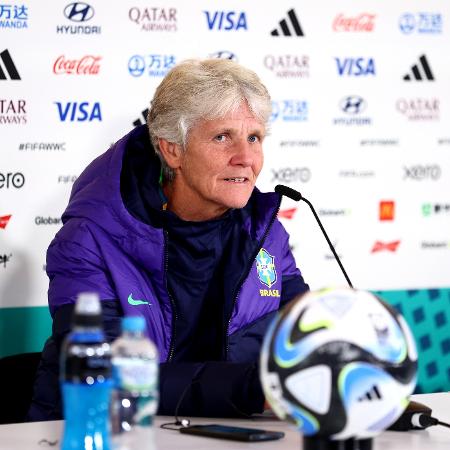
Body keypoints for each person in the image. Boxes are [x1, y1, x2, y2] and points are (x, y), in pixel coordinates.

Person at [28, 58, 309, 421]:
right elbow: (103, 373)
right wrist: (258, 389)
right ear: (172, 149)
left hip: (224, 432)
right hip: (101, 432)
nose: (245, 158)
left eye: (253, 137)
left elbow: (305, 328)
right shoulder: (89, 238)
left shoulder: (265, 231)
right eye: (222, 137)